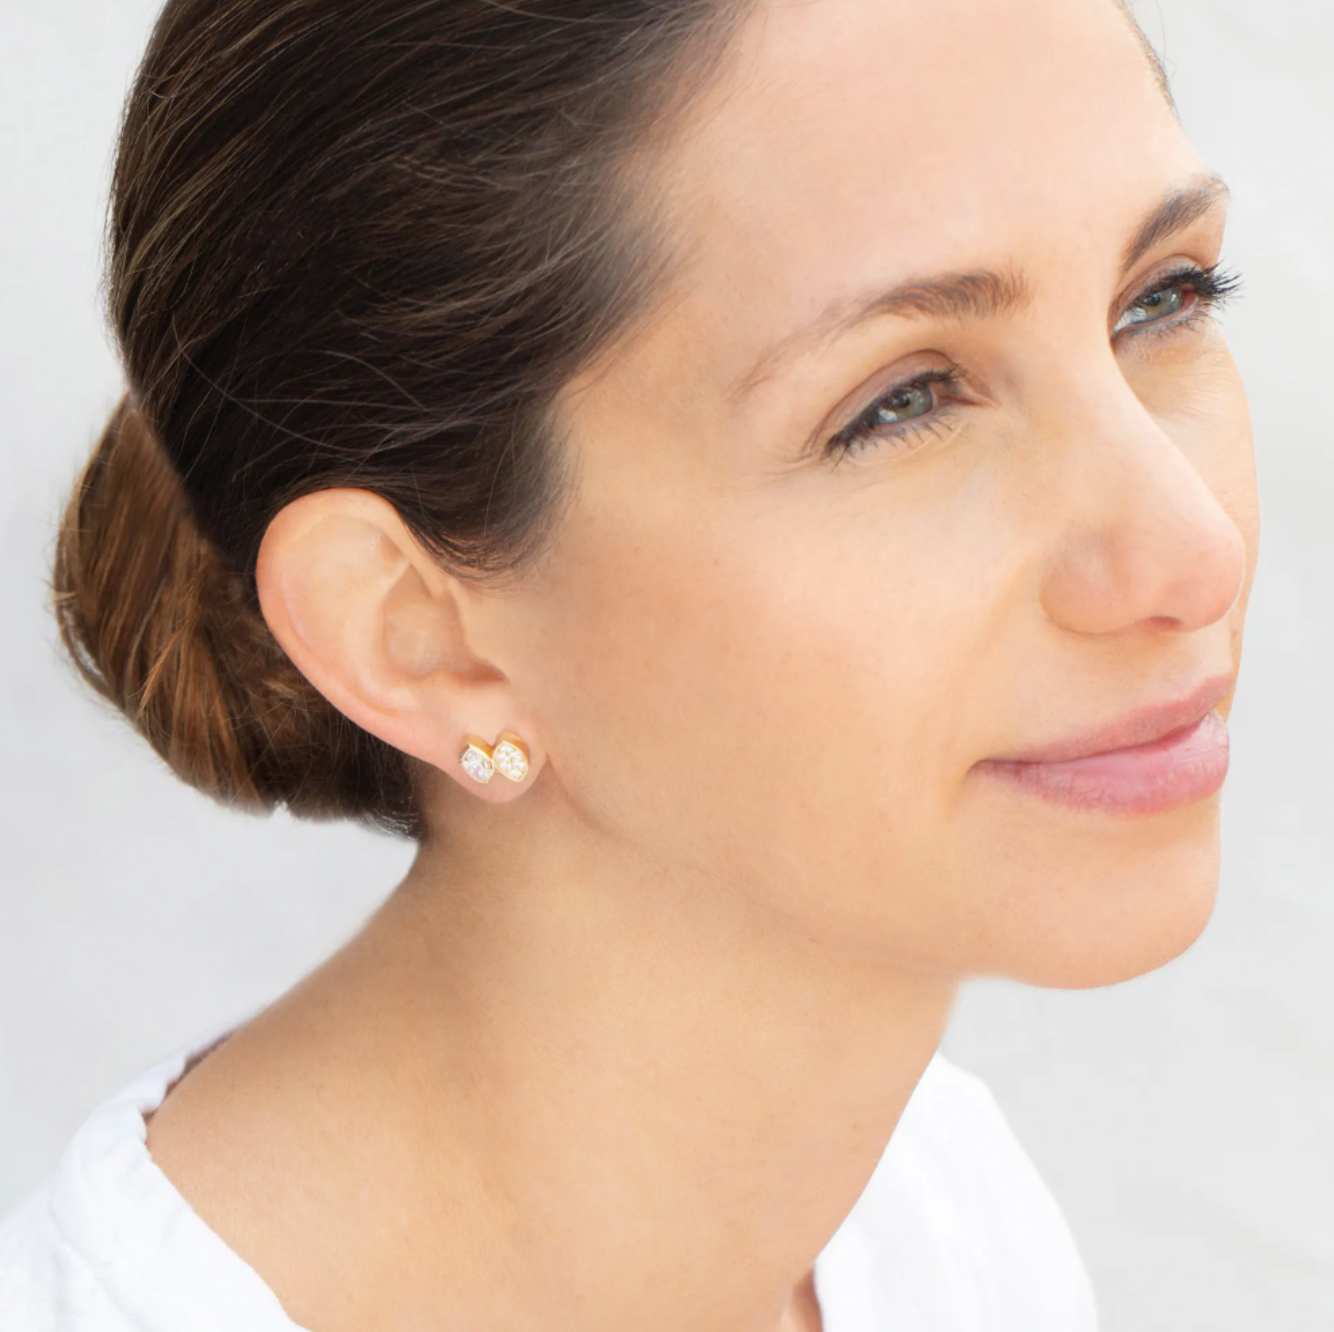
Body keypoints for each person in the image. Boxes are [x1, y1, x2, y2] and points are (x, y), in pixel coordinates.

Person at [0, 0, 1258, 1327]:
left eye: (1162, 297)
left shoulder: (938, 1215)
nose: (1193, 551)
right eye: (898, 401)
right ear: (416, 635)